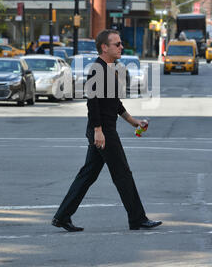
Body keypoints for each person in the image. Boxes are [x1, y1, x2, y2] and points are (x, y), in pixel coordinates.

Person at [51, 29, 162, 232]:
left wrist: (133, 121)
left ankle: (62, 216)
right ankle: (137, 218)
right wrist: (98, 130)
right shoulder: (97, 69)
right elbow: (92, 103)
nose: (121, 47)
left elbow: (114, 104)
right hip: (104, 131)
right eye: (117, 44)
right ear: (104, 47)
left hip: (105, 129)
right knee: (123, 174)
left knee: (88, 174)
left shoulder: (109, 69)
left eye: (120, 44)